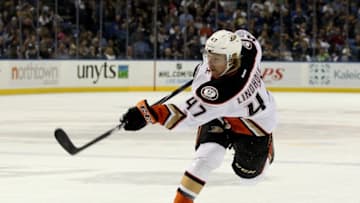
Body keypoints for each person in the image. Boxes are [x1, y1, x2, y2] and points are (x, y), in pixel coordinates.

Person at [121, 29, 278, 203]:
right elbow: (241, 33)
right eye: (209, 55)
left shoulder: (225, 91)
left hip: (253, 125)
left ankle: (266, 149)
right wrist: (224, 43)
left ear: (232, 60)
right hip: (220, 116)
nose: (210, 63)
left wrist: (146, 114)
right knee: (205, 157)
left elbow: (184, 116)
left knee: (248, 176)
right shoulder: (249, 49)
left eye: (216, 59)